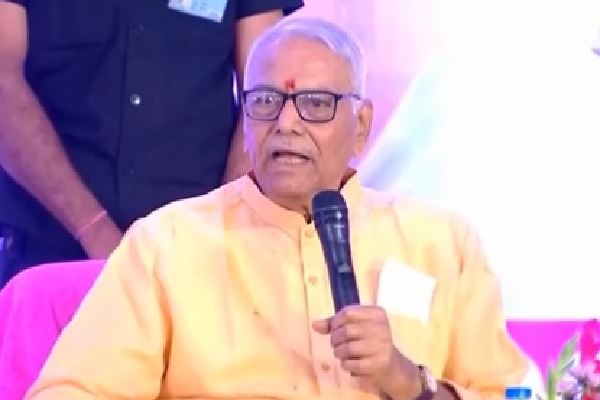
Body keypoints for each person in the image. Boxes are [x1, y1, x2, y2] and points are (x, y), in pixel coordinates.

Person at [26, 17, 530, 400]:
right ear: (245, 119)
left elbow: (509, 392)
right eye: (266, 102)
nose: (287, 124)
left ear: (361, 125)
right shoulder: (168, 244)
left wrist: (410, 383)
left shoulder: (441, 243)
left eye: (316, 103)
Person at [0, 0, 303, 287]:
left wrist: (218, 229)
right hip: (48, 250)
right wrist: (94, 231)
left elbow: (267, 93)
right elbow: (4, 86)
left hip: (200, 258)